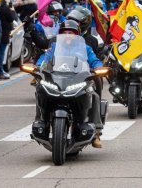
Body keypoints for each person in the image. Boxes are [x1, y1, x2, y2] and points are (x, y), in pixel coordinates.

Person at [35, 20, 104, 148]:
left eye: (71, 33)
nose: (68, 35)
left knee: (94, 96)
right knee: (40, 89)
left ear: (77, 35)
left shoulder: (85, 48)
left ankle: (96, 132)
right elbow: (45, 59)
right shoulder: (55, 47)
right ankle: (40, 120)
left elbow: (94, 61)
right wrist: (38, 67)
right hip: (57, 79)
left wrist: (98, 67)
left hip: (77, 79)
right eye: (65, 33)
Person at [0, 0, 15, 80]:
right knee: (0, 54)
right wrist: (12, 10)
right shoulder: (5, 7)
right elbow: (11, 18)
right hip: (4, 33)